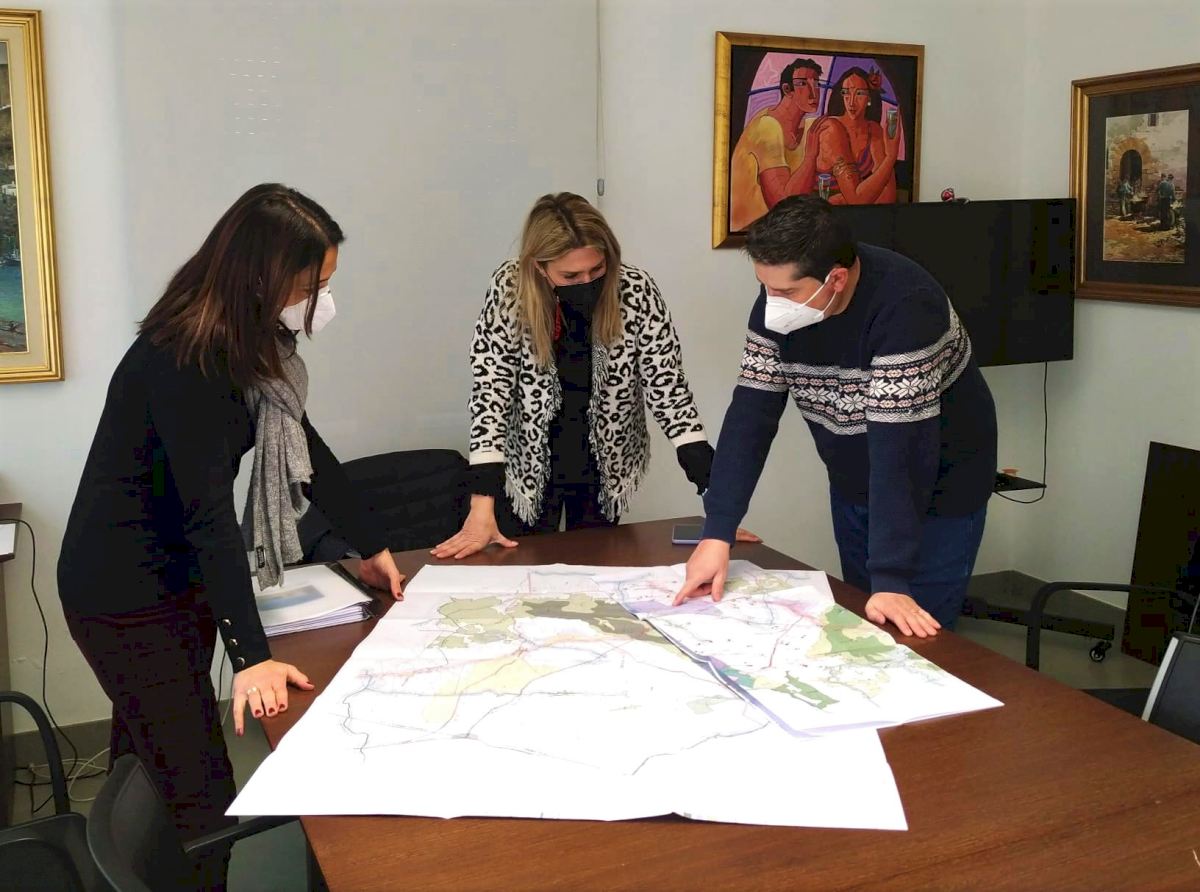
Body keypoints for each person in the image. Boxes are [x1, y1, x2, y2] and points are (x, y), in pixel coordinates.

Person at [57, 183, 405, 889]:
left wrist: (371, 547)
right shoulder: (185, 358)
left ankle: (130, 869)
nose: (320, 302)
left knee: (152, 755)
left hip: (174, 577)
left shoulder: (251, 348)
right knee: (201, 793)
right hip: (122, 593)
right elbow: (208, 515)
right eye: (310, 286)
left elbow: (308, 451)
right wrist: (251, 656)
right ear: (261, 277)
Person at [675, 196, 997, 638]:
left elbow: (898, 452)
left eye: (787, 292)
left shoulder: (908, 306)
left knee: (914, 634)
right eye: (764, 287)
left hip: (940, 487)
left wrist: (890, 577)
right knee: (865, 624)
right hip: (854, 479)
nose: (772, 303)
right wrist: (718, 531)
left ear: (837, 279)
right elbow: (750, 416)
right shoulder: (779, 307)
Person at [434, 192, 755, 558]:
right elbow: (491, 389)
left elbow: (669, 390)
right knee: (522, 565)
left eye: (597, 269)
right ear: (539, 267)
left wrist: (717, 504)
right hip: (529, 459)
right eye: (570, 275)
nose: (586, 282)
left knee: (595, 563)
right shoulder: (511, 288)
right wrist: (481, 504)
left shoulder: (635, 290)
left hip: (605, 460)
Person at [729, 58, 822, 232]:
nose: (813, 92)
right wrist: (811, 157)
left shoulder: (809, 127)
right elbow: (782, 204)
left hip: (784, 231)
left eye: (816, 83)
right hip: (752, 232)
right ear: (787, 89)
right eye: (803, 83)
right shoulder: (767, 126)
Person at [822, 66, 897, 204]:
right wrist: (890, 157)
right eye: (846, 92)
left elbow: (888, 196)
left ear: (869, 98)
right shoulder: (831, 128)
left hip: (858, 211)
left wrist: (846, 199)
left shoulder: (874, 129)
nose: (851, 102)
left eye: (859, 94)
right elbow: (856, 200)